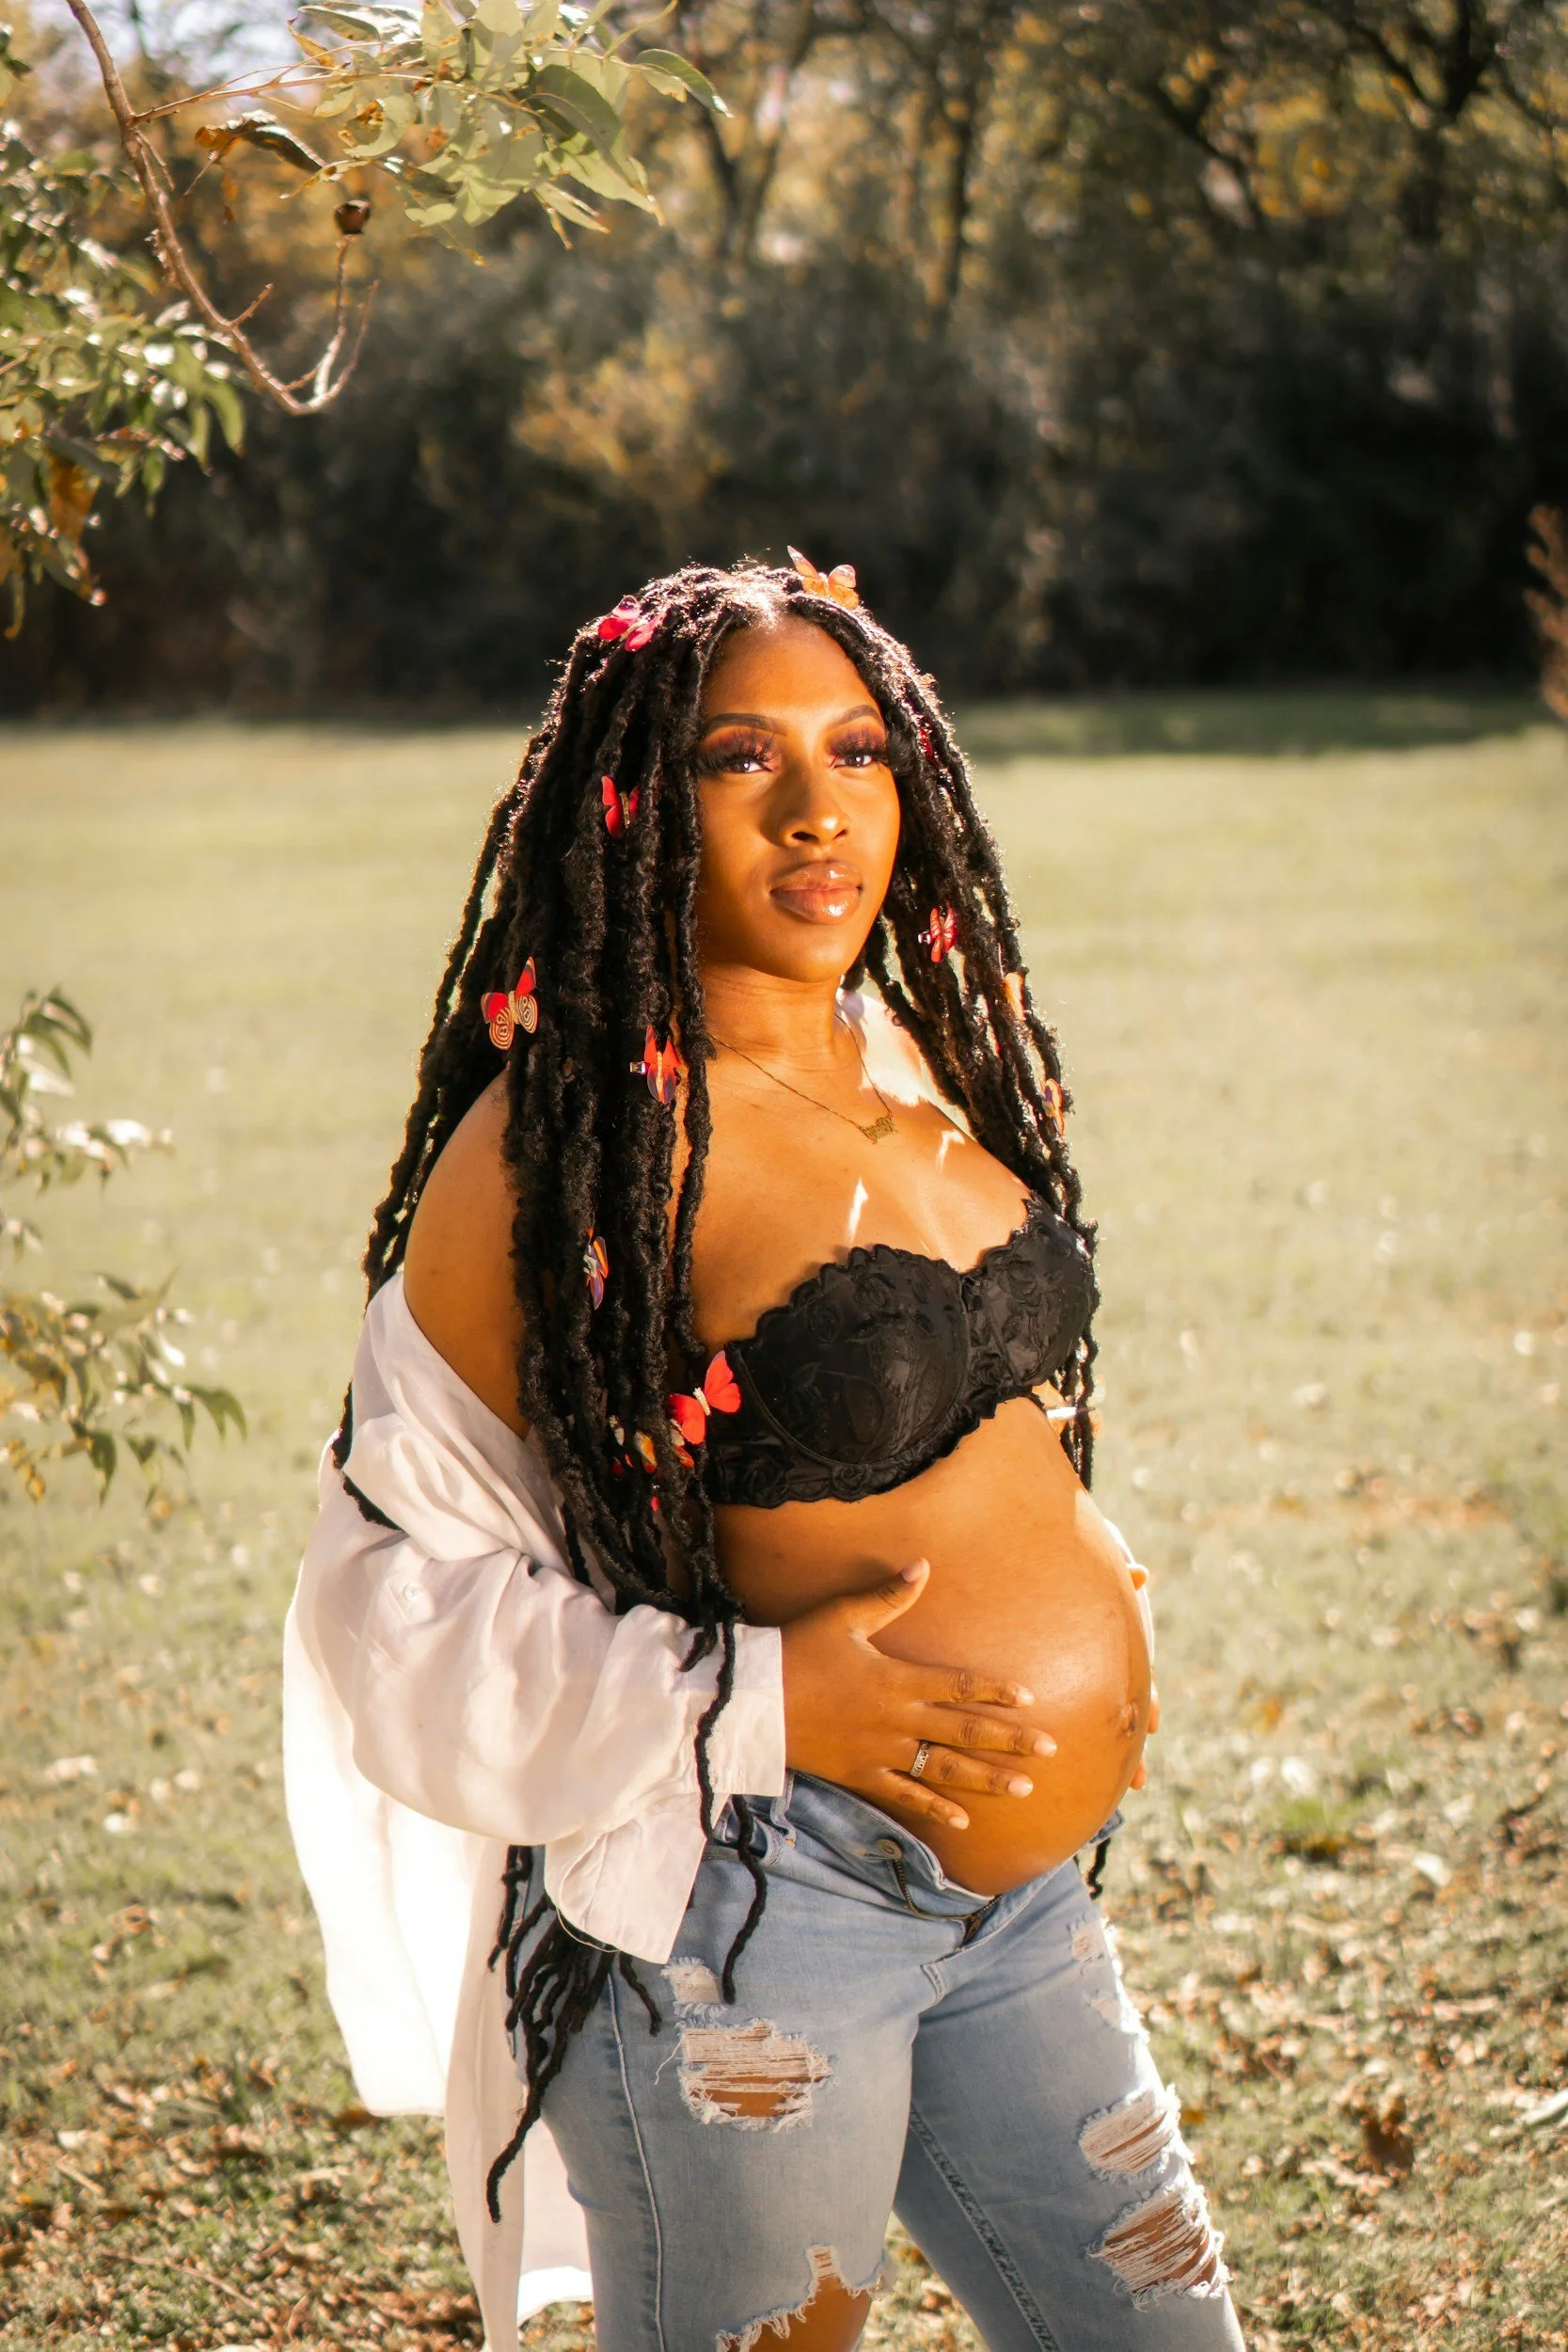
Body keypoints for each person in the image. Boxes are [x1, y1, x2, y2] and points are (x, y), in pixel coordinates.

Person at [283, 555, 1244, 2352]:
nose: (819, 812)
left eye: (860, 752)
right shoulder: (568, 1150)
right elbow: (384, 1603)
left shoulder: (904, 1051)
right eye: (742, 761)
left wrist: (1070, 1559)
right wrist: (763, 1699)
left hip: (1016, 1904)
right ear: (637, 799)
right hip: (760, 1915)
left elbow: (938, 1380)